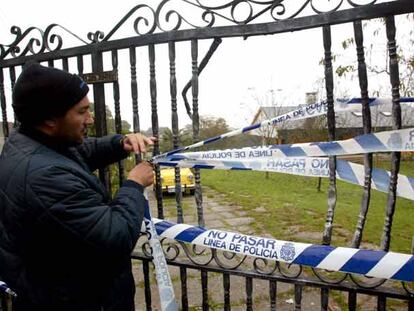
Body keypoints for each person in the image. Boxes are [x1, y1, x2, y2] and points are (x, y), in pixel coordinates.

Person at [0, 63, 155, 310]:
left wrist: (120, 143)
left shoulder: (28, 142)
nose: (91, 119)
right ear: (50, 119)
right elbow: (116, 236)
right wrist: (134, 184)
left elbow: (80, 150)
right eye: (82, 112)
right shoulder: (45, 177)